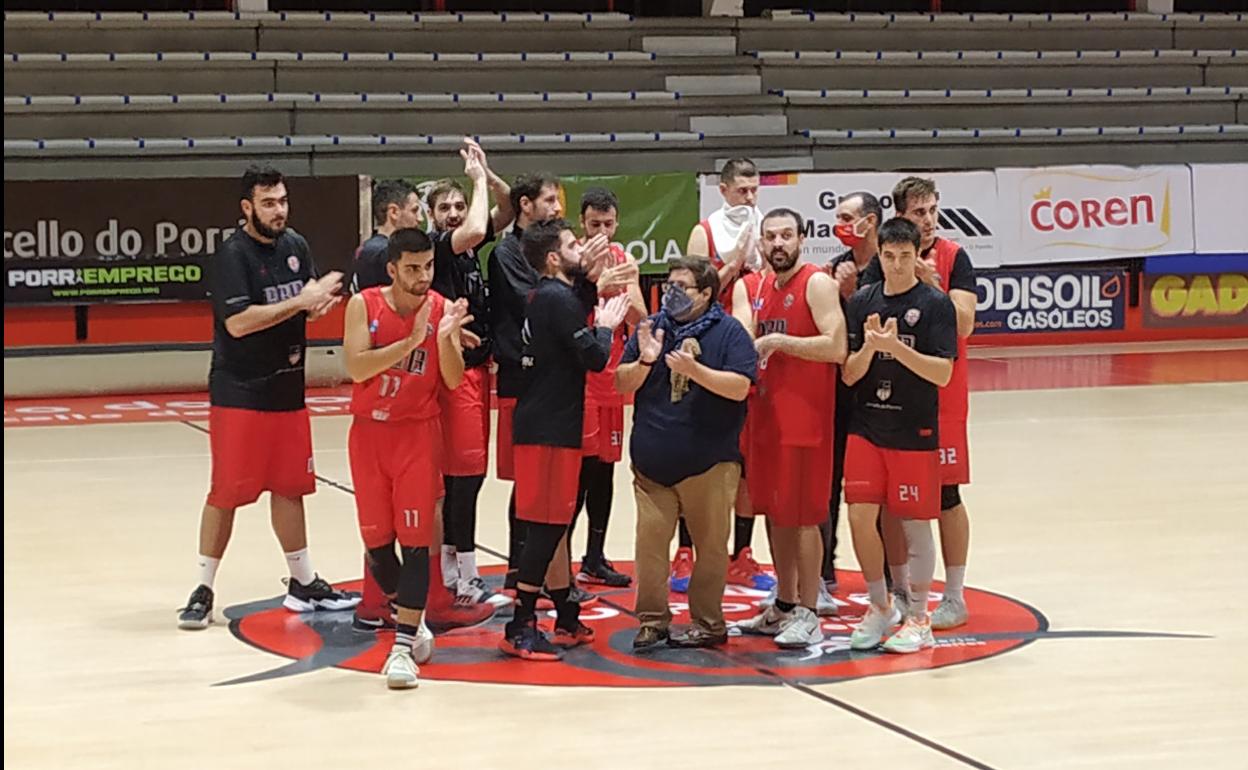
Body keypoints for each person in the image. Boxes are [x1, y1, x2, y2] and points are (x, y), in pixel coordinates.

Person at [178, 164, 356, 630]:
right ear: (247, 207)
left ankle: (303, 580)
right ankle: (203, 587)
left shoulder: (295, 246)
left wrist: (317, 305)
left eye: (283, 201)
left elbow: (303, 307)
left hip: (287, 387)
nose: (279, 210)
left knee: (291, 485)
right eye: (269, 203)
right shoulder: (232, 255)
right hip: (240, 390)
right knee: (227, 492)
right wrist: (299, 302)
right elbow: (238, 323)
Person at [341, 228, 477, 689]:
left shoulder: (441, 310)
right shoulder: (364, 305)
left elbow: (455, 380)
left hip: (417, 435)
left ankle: (401, 650)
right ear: (393, 269)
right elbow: (357, 367)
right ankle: (411, 620)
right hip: (369, 435)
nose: (423, 277)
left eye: (429, 267)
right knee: (377, 544)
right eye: (413, 269)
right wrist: (409, 342)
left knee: (416, 540)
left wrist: (442, 340)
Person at [500, 220, 630, 660]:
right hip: (549, 429)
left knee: (554, 527)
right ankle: (520, 626)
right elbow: (594, 357)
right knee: (548, 527)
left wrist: (593, 280)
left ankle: (565, 617)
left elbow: (572, 317)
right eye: (573, 245)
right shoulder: (555, 298)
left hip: (546, 424)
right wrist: (608, 326)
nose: (580, 249)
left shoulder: (547, 295)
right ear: (554, 258)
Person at [617, 257, 757, 650]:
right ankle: (652, 620)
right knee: (649, 548)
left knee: (711, 548)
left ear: (707, 293)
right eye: (670, 285)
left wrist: (697, 372)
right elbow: (620, 382)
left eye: (683, 287)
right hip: (652, 464)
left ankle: (709, 622)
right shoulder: (651, 329)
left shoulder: (729, 332)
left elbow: (740, 386)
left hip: (709, 462)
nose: (672, 293)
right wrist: (646, 359)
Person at [861, 177, 978, 629]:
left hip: (942, 396)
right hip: (893, 402)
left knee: (948, 496)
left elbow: (964, 324)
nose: (928, 221)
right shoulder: (885, 261)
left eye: (932, 211)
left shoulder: (954, 257)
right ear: (899, 217)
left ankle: (954, 594)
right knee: (893, 501)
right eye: (918, 213)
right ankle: (903, 592)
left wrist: (933, 287)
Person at [842, 217, 957, 654]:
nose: (895, 265)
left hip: (914, 428)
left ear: (917, 256)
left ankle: (920, 616)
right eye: (888, 257)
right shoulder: (862, 301)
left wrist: (898, 349)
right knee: (859, 516)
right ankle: (879, 605)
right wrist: (871, 349)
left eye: (904, 257)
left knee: (914, 522)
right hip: (867, 426)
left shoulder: (934, 304)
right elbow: (850, 374)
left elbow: (943, 373)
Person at [735, 208, 846, 648]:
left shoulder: (817, 283)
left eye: (786, 235)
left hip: (806, 419)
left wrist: (780, 342)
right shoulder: (752, 286)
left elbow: (836, 346)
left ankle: (809, 609)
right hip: (763, 418)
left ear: (801, 238)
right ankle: (783, 603)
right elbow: (742, 332)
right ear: (760, 243)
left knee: (804, 517)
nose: (778, 243)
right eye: (770, 237)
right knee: (776, 512)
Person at [426, 140, 514, 609]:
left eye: (461, 205)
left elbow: (502, 208)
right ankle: (460, 575)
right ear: (432, 215)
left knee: (471, 476)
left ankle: (458, 571)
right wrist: (476, 182)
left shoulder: (469, 253)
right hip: (455, 378)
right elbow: (482, 222)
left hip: (481, 375)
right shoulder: (440, 248)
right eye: (446, 207)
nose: (456, 213)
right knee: (461, 476)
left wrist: (486, 172)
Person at [675, 156, 768, 594]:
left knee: (745, 456)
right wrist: (732, 261)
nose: (749, 198)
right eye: (742, 190)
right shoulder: (705, 230)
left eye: (754, 190)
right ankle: (686, 548)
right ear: (724, 190)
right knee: (694, 449)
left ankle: (743, 553)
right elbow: (694, 292)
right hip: (706, 341)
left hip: (745, 345)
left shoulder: (764, 226)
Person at [488, 171, 562, 594]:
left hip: (554, 374)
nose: (555, 207)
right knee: (527, 479)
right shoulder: (507, 253)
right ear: (526, 206)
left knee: (558, 478)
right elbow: (534, 301)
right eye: (548, 200)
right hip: (522, 374)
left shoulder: (552, 248)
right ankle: (520, 569)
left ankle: (554, 570)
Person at [570, 187, 646, 588]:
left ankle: (594, 557)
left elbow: (641, 313)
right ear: (582, 223)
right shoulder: (571, 259)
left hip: (613, 379)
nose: (602, 229)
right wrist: (595, 282)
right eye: (594, 223)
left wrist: (620, 284)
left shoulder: (624, 259)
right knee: (577, 475)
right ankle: (558, 561)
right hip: (580, 377)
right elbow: (564, 310)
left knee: (604, 472)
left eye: (608, 223)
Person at [821, 191, 885, 594]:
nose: (840, 224)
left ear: (870, 221)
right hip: (839, 392)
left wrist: (853, 294)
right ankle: (824, 570)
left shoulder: (891, 265)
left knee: (876, 490)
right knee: (827, 484)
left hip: (883, 392)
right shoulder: (833, 268)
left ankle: (889, 578)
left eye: (847, 217)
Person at [351, 179, 423, 293]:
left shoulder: (368, 248)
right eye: (414, 211)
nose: (420, 219)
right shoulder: (385, 252)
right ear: (394, 212)